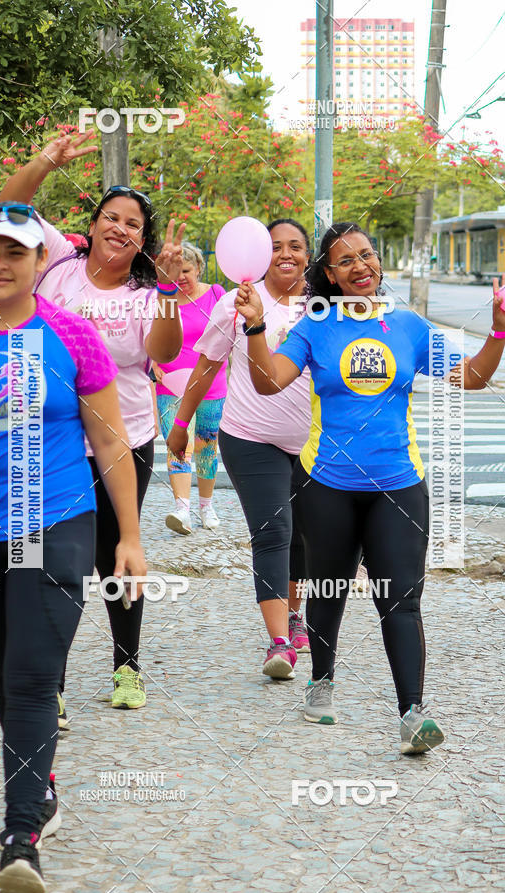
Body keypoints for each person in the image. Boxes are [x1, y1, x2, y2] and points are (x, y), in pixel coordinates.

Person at [237, 220, 505, 753]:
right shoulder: (315, 326)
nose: (360, 266)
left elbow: (471, 377)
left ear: (378, 261)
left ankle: (412, 713)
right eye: (345, 261)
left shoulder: (408, 326)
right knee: (329, 590)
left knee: (402, 601)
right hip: (328, 485)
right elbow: (268, 381)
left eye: (366, 255)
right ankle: (322, 681)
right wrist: (254, 329)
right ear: (330, 275)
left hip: (399, 486)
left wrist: (500, 329)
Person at [0, 203, 146, 893]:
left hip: (50, 519)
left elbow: (111, 442)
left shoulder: (71, 335)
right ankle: (42, 782)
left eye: (15, 253)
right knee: (5, 665)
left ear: (36, 264)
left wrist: (132, 539)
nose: (1, 263)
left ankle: (20, 836)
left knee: (30, 675)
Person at [0, 132, 184, 715]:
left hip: (123, 438)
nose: (120, 228)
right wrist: (46, 161)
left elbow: (165, 350)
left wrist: (173, 292)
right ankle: (48, 681)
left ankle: (126, 667)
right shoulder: (57, 261)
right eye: (111, 217)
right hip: (47, 436)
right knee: (50, 559)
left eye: (133, 224)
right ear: (95, 222)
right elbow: (9, 208)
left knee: (115, 553)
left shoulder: (148, 293)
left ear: (142, 240)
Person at [167, 219, 312, 677]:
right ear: (259, 254)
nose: (286, 254)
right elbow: (206, 366)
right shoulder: (237, 303)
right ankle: (279, 643)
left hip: (314, 443)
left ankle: (296, 611)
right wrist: (182, 422)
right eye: (275, 247)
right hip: (250, 438)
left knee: (306, 537)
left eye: (296, 246)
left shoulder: (325, 306)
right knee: (273, 532)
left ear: (308, 255)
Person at [153, 241, 227, 534]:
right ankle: (181, 509)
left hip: (211, 382)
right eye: (176, 271)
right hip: (170, 382)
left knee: (207, 445)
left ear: (198, 268)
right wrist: (153, 362)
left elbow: (228, 333)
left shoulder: (216, 295)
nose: (181, 277)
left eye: (186, 270)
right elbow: (151, 331)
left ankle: (206, 506)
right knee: (177, 444)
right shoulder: (162, 298)